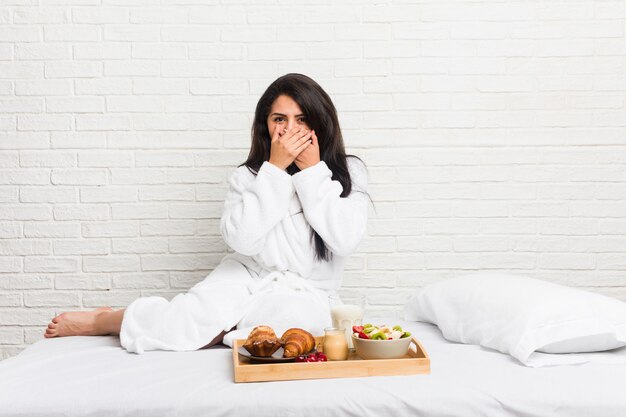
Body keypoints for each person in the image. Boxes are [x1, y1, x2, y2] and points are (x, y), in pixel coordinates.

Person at [44, 73, 369, 353]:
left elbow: (344, 241)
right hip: (247, 274)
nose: (289, 130)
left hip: (306, 292)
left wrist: (312, 173)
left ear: (319, 123)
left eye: (301, 119)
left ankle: (223, 329)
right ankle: (107, 319)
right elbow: (242, 240)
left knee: (294, 327)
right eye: (279, 119)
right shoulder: (251, 176)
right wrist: (275, 170)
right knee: (183, 321)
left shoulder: (347, 172)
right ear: (266, 126)